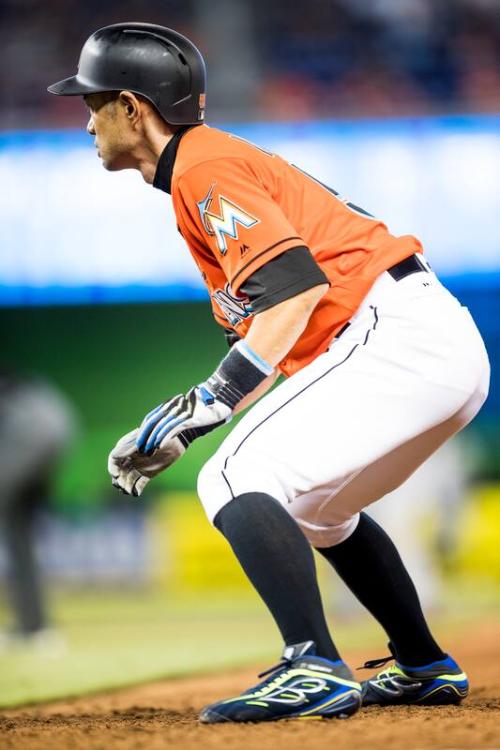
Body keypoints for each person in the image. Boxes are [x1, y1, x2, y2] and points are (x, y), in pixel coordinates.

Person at [48, 23, 490, 723]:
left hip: (395, 332)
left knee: (232, 474)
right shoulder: (205, 165)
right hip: (420, 337)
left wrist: (211, 401)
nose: (85, 120)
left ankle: (311, 662)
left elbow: (294, 288)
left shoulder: (200, 166)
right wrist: (202, 402)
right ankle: (422, 662)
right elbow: (289, 311)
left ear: (133, 107)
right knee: (319, 508)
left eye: (94, 101)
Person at [0, 369, 74, 649]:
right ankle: (34, 628)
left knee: (17, 530)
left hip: (27, 427)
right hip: (58, 422)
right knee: (18, 530)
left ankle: (34, 627)